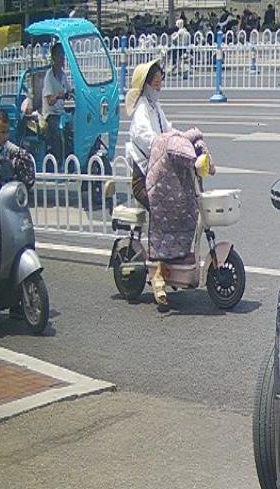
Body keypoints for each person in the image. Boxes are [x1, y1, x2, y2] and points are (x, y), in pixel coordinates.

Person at [125, 59, 173, 309]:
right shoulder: (142, 110)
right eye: (155, 82)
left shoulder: (156, 108)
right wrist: (164, 144)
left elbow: (169, 130)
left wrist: (183, 140)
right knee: (161, 212)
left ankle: (172, 259)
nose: (159, 86)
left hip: (158, 178)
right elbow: (147, 137)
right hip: (142, 181)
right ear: (146, 85)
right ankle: (157, 276)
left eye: (160, 81)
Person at [0, 112, 35, 306]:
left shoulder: (10, 148)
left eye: (7, 131)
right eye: (2, 131)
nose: (5, 135)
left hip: (5, 201)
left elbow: (23, 158)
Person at [42, 42, 73, 168]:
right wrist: (59, 96)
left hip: (61, 113)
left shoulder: (63, 75)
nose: (62, 59)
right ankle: (58, 162)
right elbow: (50, 100)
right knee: (58, 133)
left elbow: (69, 91)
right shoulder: (49, 76)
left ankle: (71, 159)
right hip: (51, 114)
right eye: (60, 56)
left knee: (73, 126)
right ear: (54, 57)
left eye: (63, 56)